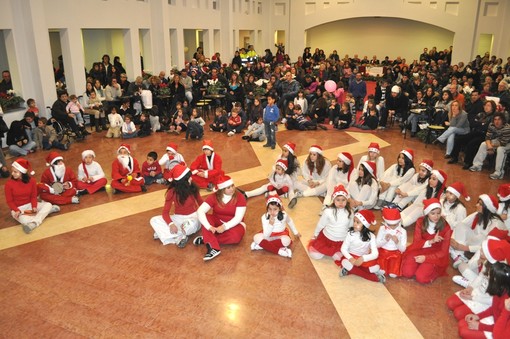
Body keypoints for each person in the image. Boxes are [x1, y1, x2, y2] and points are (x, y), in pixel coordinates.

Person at [194, 175, 247, 261]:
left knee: (235, 238)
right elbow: (200, 211)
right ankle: (214, 248)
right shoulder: (213, 197)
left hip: (235, 224)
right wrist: (209, 227)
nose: (232, 189)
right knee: (206, 218)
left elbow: (238, 218)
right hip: (217, 220)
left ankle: (207, 239)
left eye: (232, 185)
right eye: (228, 187)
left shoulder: (240, 197)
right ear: (222, 189)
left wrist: (224, 227)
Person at [401, 198, 452, 284]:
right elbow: (417, 242)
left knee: (421, 278)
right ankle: (421, 265)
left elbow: (443, 252)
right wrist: (430, 241)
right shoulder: (420, 221)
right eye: (433, 213)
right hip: (420, 248)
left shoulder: (446, 227)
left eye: (438, 213)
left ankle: (429, 268)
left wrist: (426, 258)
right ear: (427, 213)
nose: (436, 216)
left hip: (435, 255)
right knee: (407, 273)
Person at [150, 164, 203, 247]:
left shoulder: (193, 187)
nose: (191, 178)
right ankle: (180, 236)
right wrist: (171, 224)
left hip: (193, 217)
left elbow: (202, 204)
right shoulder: (172, 192)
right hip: (178, 217)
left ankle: (169, 234)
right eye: (189, 177)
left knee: (190, 226)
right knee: (154, 220)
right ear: (182, 181)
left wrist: (206, 218)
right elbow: (165, 213)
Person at [450, 194, 506, 268]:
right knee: (461, 225)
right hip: (472, 243)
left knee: (481, 237)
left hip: (484, 250)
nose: (476, 205)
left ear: (487, 208)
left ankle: (457, 253)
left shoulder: (496, 224)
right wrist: (453, 240)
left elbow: (489, 247)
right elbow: (461, 225)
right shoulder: (478, 214)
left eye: (480, 204)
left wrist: (464, 247)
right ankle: (459, 255)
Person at [5, 158, 59, 234]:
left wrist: (34, 206)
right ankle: (44, 214)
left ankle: (34, 222)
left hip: (30, 206)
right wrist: (16, 210)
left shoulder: (32, 181)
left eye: (15, 172)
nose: (12, 174)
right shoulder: (8, 184)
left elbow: (33, 196)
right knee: (24, 219)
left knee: (48, 204)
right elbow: (9, 201)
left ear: (22, 172)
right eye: (12, 171)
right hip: (19, 210)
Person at [458, 262, 510, 338]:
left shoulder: (507, 301)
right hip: (496, 324)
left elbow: (500, 334)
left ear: (496, 281)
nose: (487, 278)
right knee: (462, 324)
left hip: (498, 331)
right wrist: (478, 316)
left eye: (489, 277)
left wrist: (480, 326)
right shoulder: (501, 291)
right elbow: (494, 308)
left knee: (463, 331)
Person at [308, 184, 353, 263]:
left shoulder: (350, 212)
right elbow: (321, 224)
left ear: (346, 200)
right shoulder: (328, 211)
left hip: (340, 241)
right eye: (338, 200)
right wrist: (315, 235)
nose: (341, 202)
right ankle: (327, 251)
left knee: (339, 258)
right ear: (333, 200)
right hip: (326, 238)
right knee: (316, 255)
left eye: (343, 200)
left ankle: (335, 252)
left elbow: (351, 227)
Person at [339, 209, 386, 283]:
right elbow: (343, 249)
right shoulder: (350, 233)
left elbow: (375, 254)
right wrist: (350, 258)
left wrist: (363, 258)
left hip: (363, 258)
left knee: (376, 267)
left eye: (358, 222)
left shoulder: (371, 236)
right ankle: (372, 277)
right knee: (344, 262)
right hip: (351, 256)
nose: (354, 224)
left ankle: (351, 270)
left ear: (365, 225)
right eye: (354, 221)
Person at [251, 194, 300, 258]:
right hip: (268, 235)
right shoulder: (264, 217)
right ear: (267, 208)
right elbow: (266, 235)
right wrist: (270, 224)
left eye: (275, 209)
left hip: (281, 235)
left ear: (279, 208)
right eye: (270, 209)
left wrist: (295, 232)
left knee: (287, 241)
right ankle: (281, 251)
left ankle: (261, 246)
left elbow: (290, 221)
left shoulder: (284, 215)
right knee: (256, 237)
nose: (272, 212)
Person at [469, 113, 510, 180]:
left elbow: (503, 143)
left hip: (507, 143)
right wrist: (489, 146)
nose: (497, 121)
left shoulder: (507, 128)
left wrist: (491, 146)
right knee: (483, 144)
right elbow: (488, 137)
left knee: (500, 149)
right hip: (498, 140)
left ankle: (498, 173)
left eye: (499, 119)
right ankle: (477, 165)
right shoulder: (491, 125)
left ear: (503, 120)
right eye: (495, 119)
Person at [376, 208, 407, 278]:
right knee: (381, 268)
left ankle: (392, 269)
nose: (392, 227)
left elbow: (403, 249)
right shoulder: (382, 228)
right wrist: (384, 240)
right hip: (383, 251)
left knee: (393, 273)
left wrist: (397, 242)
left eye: (395, 225)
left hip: (395, 253)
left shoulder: (403, 231)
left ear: (399, 222)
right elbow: (377, 244)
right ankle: (382, 267)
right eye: (389, 225)